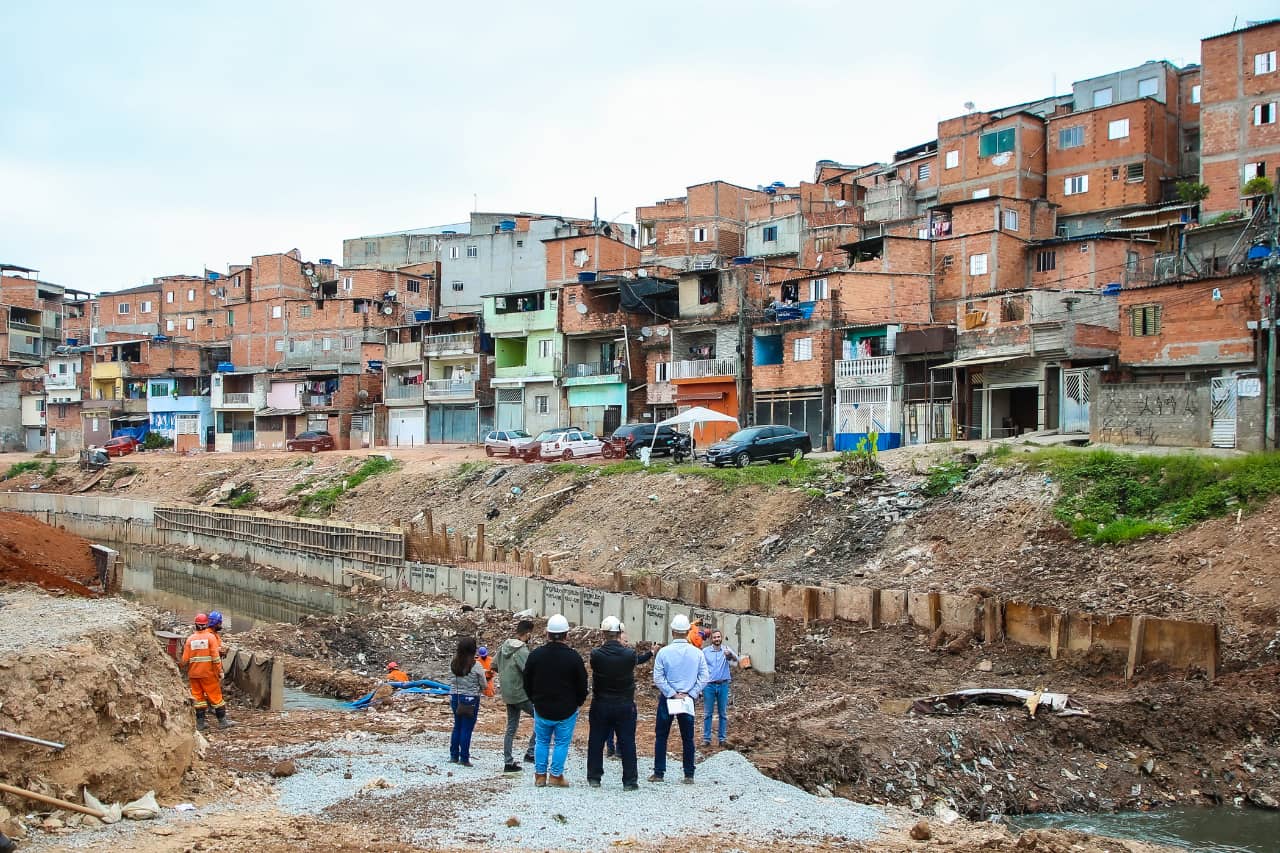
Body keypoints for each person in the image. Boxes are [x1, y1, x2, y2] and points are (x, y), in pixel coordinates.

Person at [523, 614, 588, 788]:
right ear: (566, 635)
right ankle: (556, 775)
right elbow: (582, 684)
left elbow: (526, 680)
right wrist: (578, 701)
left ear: (547, 634)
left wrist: (534, 699)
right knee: (561, 743)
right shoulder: (573, 657)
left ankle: (539, 776)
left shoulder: (536, 655)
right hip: (566, 710)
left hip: (542, 707)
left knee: (542, 741)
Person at [587, 616, 652, 790]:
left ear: (604, 634)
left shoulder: (596, 655)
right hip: (624, 704)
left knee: (596, 740)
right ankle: (630, 781)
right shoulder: (629, 655)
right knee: (627, 742)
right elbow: (634, 662)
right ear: (618, 633)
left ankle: (594, 777)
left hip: (601, 703)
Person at [650, 613, 708, 785]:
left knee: (661, 736)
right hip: (687, 699)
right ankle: (689, 774)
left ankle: (659, 773)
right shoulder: (696, 653)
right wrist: (691, 693)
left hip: (669, 698)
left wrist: (672, 693)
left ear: (673, 631)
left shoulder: (664, 652)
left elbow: (658, 678)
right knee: (687, 737)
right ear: (688, 631)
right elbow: (704, 676)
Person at [495, 620, 537, 773]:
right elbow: (529, 671)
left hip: (507, 693)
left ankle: (508, 761)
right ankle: (531, 752)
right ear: (528, 634)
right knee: (542, 719)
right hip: (521, 694)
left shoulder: (503, 647)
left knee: (511, 727)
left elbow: (494, 665)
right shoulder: (522, 651)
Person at [181, 612, 233, 731]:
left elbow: (184, 660)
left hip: (194, 674)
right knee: (216, 697)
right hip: (208, 673)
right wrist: (220, 670)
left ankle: (200, 724)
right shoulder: (210, 638)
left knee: (198, 698)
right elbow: (215, 657)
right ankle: (222, 722)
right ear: (206, 624)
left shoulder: (190, 639)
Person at [448, 636, 486, 767]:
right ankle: (464, 758)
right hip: (470, 699)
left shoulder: (453, 663)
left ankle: (453, 755)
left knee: (457, 726)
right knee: (466, 729)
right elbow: (484, 684)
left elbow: (450, 680)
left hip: (455, 697)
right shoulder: (476, 665)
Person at [701, 629, 739, 747]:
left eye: (718, 637)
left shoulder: (726, 650)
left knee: (723, 713)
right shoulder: (705, 652)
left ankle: (722, 739)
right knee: (708, 713)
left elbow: (736, 661)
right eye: (714, 637)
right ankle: (706, 739)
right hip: (709, 686)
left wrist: (730, 655)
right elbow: (700, 667)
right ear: (711, 639)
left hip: (723, 685)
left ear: (721, 638)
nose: (717, 639)